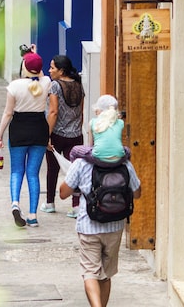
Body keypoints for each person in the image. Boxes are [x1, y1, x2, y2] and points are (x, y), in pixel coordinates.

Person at [60, 126, 141, 307]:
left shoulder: (81, 164)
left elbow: (63, 193)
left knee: (90, 272)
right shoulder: (125, 165)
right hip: (115, 226)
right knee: (106, 275)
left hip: (88, 225)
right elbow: (137, 193)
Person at [0, 50, 51, 228]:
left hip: (19, 129)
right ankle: (33, 215)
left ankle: (15, 204)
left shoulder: (15, 86)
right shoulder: (47, 82)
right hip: (39, 130)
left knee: (17, 171)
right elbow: (40, 74)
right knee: (33, 174)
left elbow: (8, 113)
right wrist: (34, 58)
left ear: (24, 67)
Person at [42, 55, 85, 216]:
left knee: (52, 169)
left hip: (57, 133)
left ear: (61, 71)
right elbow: (81, 110)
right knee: (74, 169)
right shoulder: (78, 84)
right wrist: (77, 128)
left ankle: (50, 202)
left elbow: (53, 112)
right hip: (75, 134)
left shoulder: (55, 86)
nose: (49, 70)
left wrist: (47, 135)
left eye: (52, 68)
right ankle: (76, 205)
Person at [73, 95, 128, 164]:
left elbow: (90, 146)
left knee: (74, 150)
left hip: (98, 158)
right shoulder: (120, 123)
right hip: (118, 158)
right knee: (127, 150)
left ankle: (75, 168)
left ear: (99, 110)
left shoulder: (93, 122)